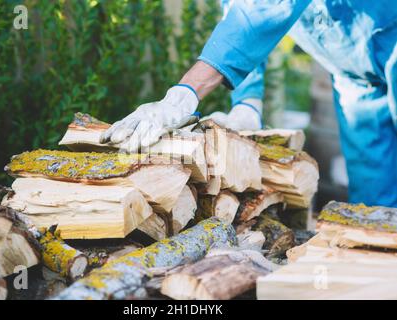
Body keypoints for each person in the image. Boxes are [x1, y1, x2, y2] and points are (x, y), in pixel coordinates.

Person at [100, 0, 397, 207]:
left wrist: (184, 94)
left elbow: (265, 8)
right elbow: (239, 11)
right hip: (353, 72)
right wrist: (247, 102)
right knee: (374, 205)